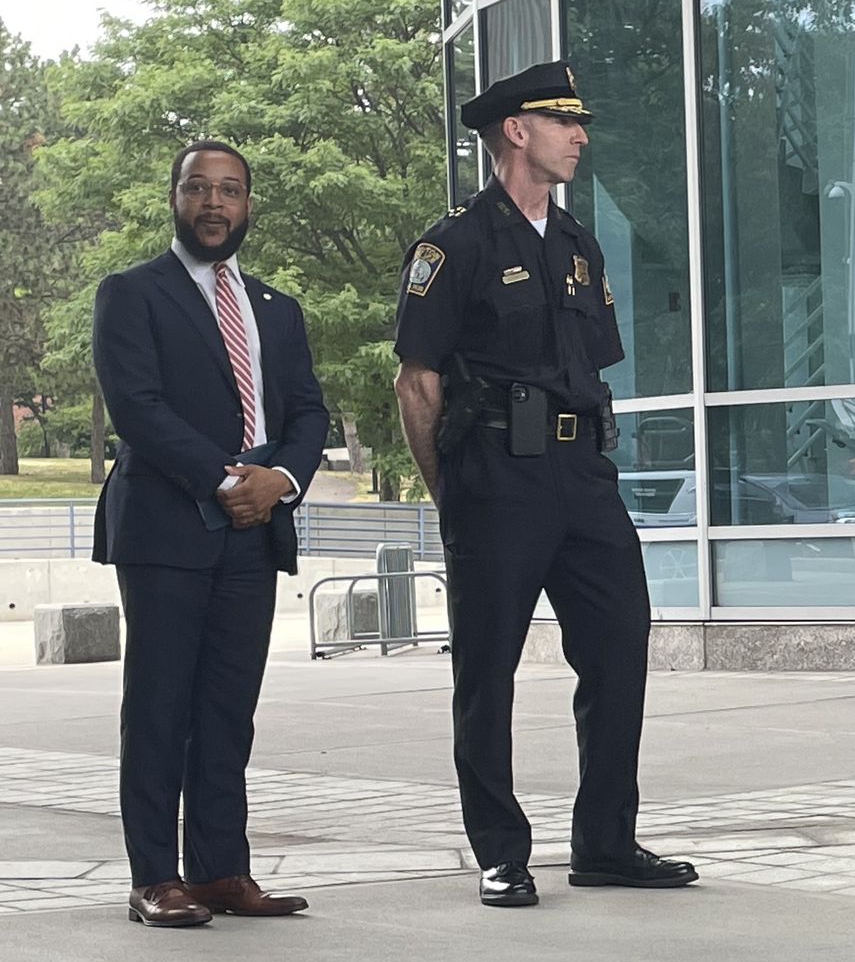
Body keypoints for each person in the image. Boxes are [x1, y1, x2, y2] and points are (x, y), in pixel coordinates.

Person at [392, 62, 697, 907]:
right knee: (487, 670)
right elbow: (417, 383)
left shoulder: (576, 245)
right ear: (517, 132)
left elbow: (588, 364)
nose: (581, 137)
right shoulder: (450, 245)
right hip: (495, 474)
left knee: (619, 647)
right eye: (567, 122)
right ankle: (499, 848)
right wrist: (451, 494)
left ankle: (604, 842)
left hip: (582, 475)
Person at [93, 140, 330, 927]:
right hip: (167, 527)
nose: (214, 203)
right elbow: (138, 410)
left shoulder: (277, 308)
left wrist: (280, 482)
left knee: (229, 708)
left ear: (249, 206)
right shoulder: (130, 294)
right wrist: (227, 480)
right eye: (199, 188)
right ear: (175, 197)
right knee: (161, 706)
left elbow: (306, 413)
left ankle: (223, 871)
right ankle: (156, 877)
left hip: (254, 532)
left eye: (230, 190)